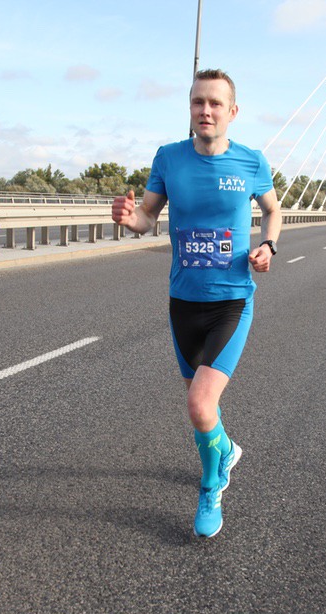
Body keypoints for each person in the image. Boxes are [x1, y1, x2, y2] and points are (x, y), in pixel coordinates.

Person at [110, 69, 281, 539]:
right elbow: (147, 216)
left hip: (232, 301)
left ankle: (211, 485)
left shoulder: (251, 162)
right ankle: (224, 451)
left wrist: (268, 245)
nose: (205, 110)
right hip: (183, 302)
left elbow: (272, 209)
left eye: (215, 103)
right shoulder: (169, 157)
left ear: (232, 112)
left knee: (200, 403)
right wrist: (128, 218)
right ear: (189, 108)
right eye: (197, 102)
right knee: (202, 408)